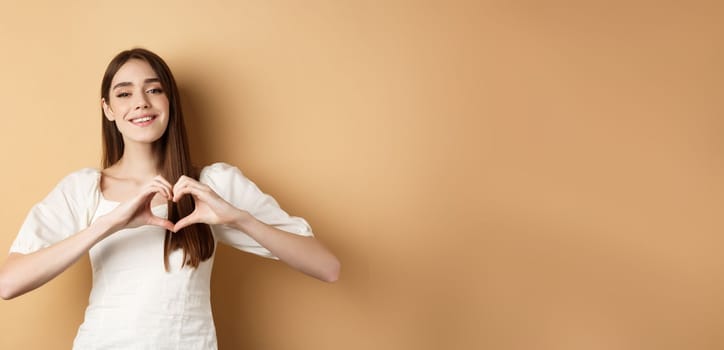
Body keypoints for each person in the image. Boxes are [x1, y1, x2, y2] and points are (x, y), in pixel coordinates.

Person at [0, 48, 340, 349]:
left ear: (169, 102)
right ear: (107, 109)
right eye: (124, 94)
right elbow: (9, 282)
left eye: (153, 89)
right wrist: (109, 224)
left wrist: (239, 218)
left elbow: (327, 267)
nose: (140, 102)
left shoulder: (210, 185)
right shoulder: (84, 189)